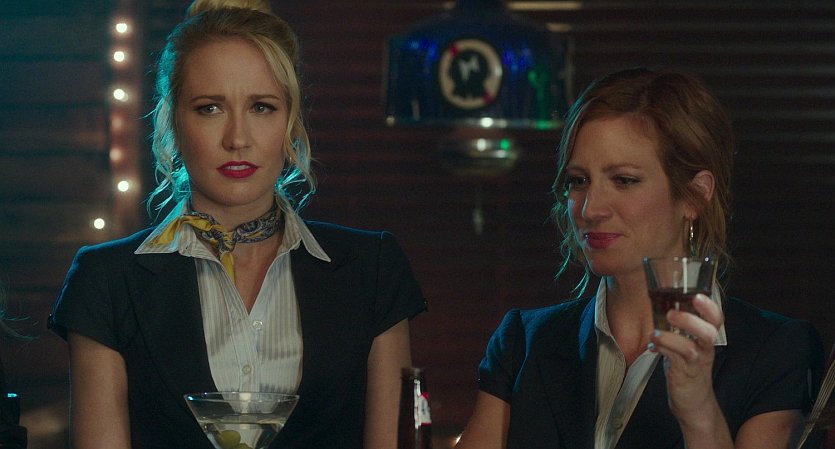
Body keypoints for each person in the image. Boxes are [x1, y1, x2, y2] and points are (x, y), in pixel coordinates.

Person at [48, 1, 427, 448]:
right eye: (210, 108)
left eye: (262, 107)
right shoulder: (106, 280)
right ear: (173, 122)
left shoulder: (372, 269)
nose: (238, 138)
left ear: (291, 121)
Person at [455, 67, 823, 449]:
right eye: (578, 180)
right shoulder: (525, 341)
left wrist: (699, 414)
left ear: (695, 196)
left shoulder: (775, 351)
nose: (590, 208)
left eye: (624, 180)